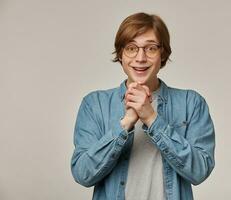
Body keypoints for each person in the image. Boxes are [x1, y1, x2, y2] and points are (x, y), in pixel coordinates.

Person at [71, 12, 215, 200]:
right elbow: (83, 174)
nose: (140, 58)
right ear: (121, 54)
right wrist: (125, 123)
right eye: (131, 48)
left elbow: (200, 171)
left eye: (151, 48)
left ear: (162, 53)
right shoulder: (94, 105)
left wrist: (152, 119)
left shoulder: (192, 103)